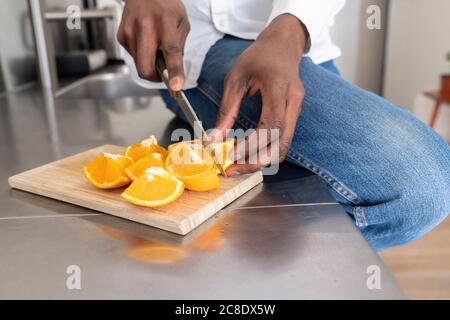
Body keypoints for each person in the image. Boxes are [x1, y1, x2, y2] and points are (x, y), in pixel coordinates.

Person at [117, 0, 450, 251]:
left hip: (303, 45)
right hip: (198, 44)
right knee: (421, 190)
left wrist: (292, 28)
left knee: (421, 193)